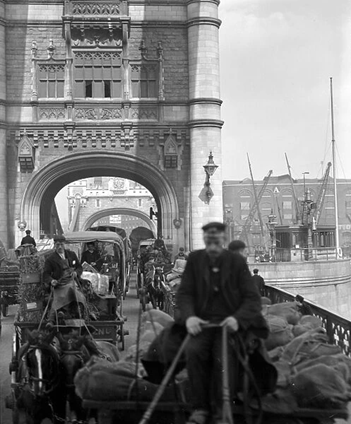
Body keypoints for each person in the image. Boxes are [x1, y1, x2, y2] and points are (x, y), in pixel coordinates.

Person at [176, 222, 269, 424]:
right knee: (193, 352)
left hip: (229, 325)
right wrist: (190, 316)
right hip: (201, 324)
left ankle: (220, 411)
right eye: (209, 238)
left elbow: (252, 299)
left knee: (224, 358)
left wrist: (237, 319)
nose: (213, 242)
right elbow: (184, 294)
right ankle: (200, 408)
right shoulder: (195, 260)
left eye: (217, 238)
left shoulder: (236, 262)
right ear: (205, 240)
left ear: (223, 240)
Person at [43, 235, 87, 327]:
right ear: (54, 245)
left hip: (72, 281)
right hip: (59, 284)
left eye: (61, 244)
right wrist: (52, 281)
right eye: (58, 245)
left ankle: (83, 314)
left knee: (79, 295)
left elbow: (79, 267)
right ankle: (52, 318)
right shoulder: (50, 259)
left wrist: (76, 273)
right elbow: (45, 274)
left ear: (65, 244)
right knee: (58, 297)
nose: (60, 247)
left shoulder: (72, 255)